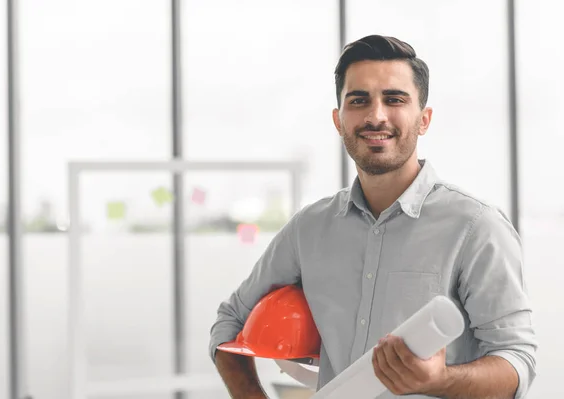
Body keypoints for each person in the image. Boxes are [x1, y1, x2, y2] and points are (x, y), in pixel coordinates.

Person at [209, 34, 537, 399]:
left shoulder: (476, 227)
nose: (375, 115)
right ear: (339, 120)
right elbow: (229, 323)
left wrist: (439, 380)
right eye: (359, 100)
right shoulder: (309, 229)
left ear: (424, 119)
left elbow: (516, 360)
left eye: (394, 99)